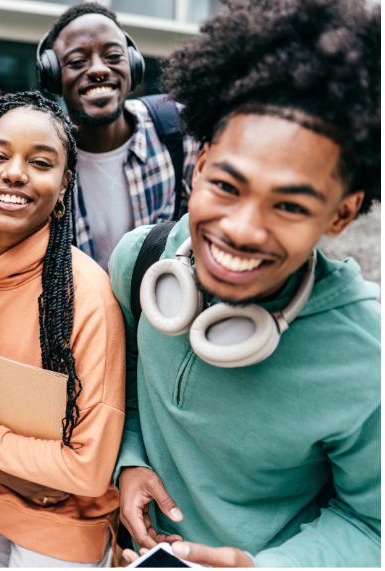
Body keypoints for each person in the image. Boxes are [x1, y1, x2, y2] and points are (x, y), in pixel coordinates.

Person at [110, 0, 380, 566]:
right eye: (229, 187)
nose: (241, 230)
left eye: (288, 205)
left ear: (340, 215)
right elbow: (125, 373)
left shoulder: (367, 355)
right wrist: (128, 459)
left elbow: (373, 524)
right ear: (201, 164)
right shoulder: (140, 259)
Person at [0, 91, 126, 568]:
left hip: (62, 536)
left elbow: (89, 470)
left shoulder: (86, 297)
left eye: (40, 161)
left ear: (64, 182)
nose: (14, 172)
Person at [39, 2, 200, 271]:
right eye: (78, 61)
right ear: (53, 76)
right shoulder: (43, 157)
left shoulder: (181, 130)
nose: (99, 70)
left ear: (133, 64)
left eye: (113, 56)